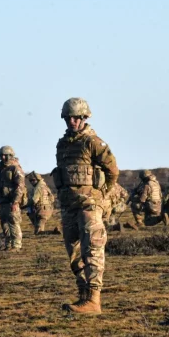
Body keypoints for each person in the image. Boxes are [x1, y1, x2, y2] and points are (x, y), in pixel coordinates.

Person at [53, 97, 119, 314]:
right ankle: (82, 294)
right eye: (68, 118)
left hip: (90, 205)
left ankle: (93, 299)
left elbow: (112, 171)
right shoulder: (63, 144)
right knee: (73, 250)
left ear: (84, 118)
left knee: (92, 248)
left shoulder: (93, 142)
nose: (72, 121)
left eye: (76, 117)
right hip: (69, 205)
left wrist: (102, 195)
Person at [0, 146, 26, 251]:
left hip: (11, 201)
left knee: (13, 223)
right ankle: (8, 244)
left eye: (5, 155)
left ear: (10, 155)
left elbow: (20, 186)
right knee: (4, 224)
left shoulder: (15, 168)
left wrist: (15, 202)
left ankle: (16, 245)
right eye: (1, 155)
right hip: (2, 202)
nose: (3, 157)